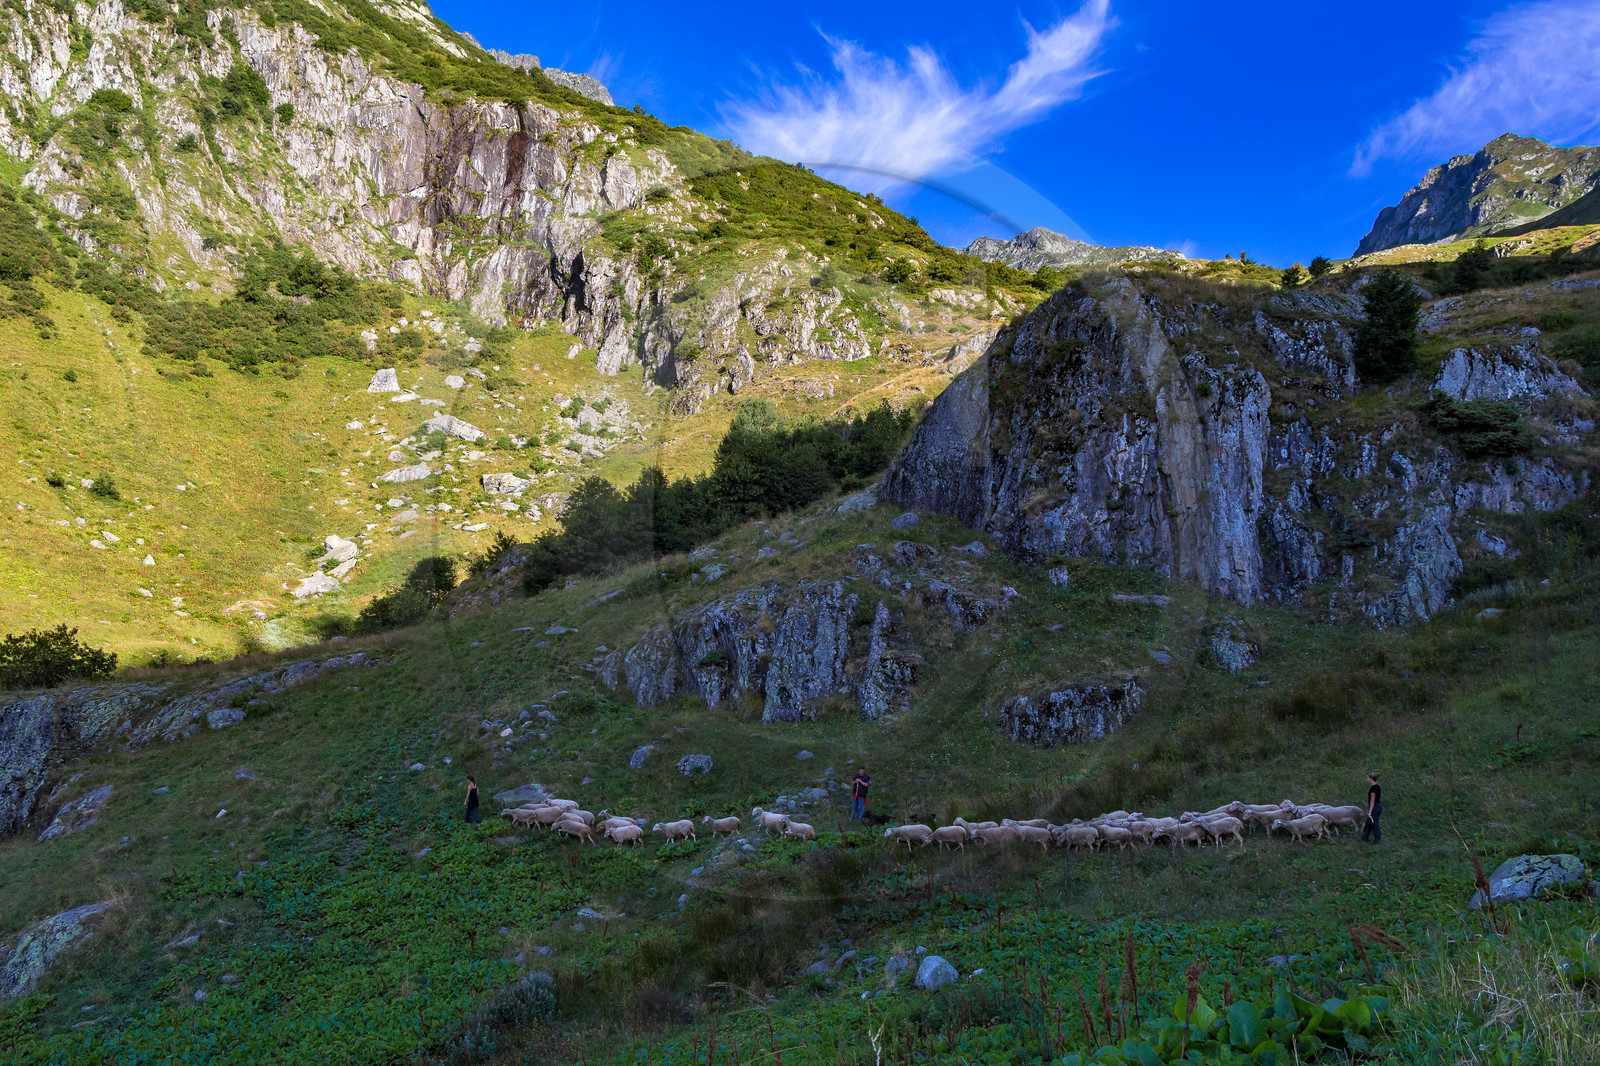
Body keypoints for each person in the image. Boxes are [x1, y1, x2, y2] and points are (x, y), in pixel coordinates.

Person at [1361, 771, 1382, 844]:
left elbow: (1372, 801)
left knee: (1374, 823)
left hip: (1375, 808)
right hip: (1378, 806)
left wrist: (1370, 811)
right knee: (1368, 823)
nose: (1366, 779)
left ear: (1370, 778)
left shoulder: (1373, 788)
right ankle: (1364, 838)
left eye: (1367, 777)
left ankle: (1377, 839)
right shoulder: (1377, 786)